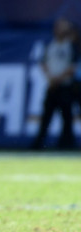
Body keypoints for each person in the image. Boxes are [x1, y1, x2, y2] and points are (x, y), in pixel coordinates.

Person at [32, 18, 77, 150]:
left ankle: (66, 144)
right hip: (52, 86)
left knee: (66, 117)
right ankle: (38, 144)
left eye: (62, 27)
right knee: (46, 116)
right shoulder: (50, 45)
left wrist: (58, 78)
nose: (59, 30)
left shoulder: (71, 46)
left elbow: (73, 67)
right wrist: (50, 78)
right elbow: (43, 63)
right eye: (58, 27)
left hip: (65, 87)